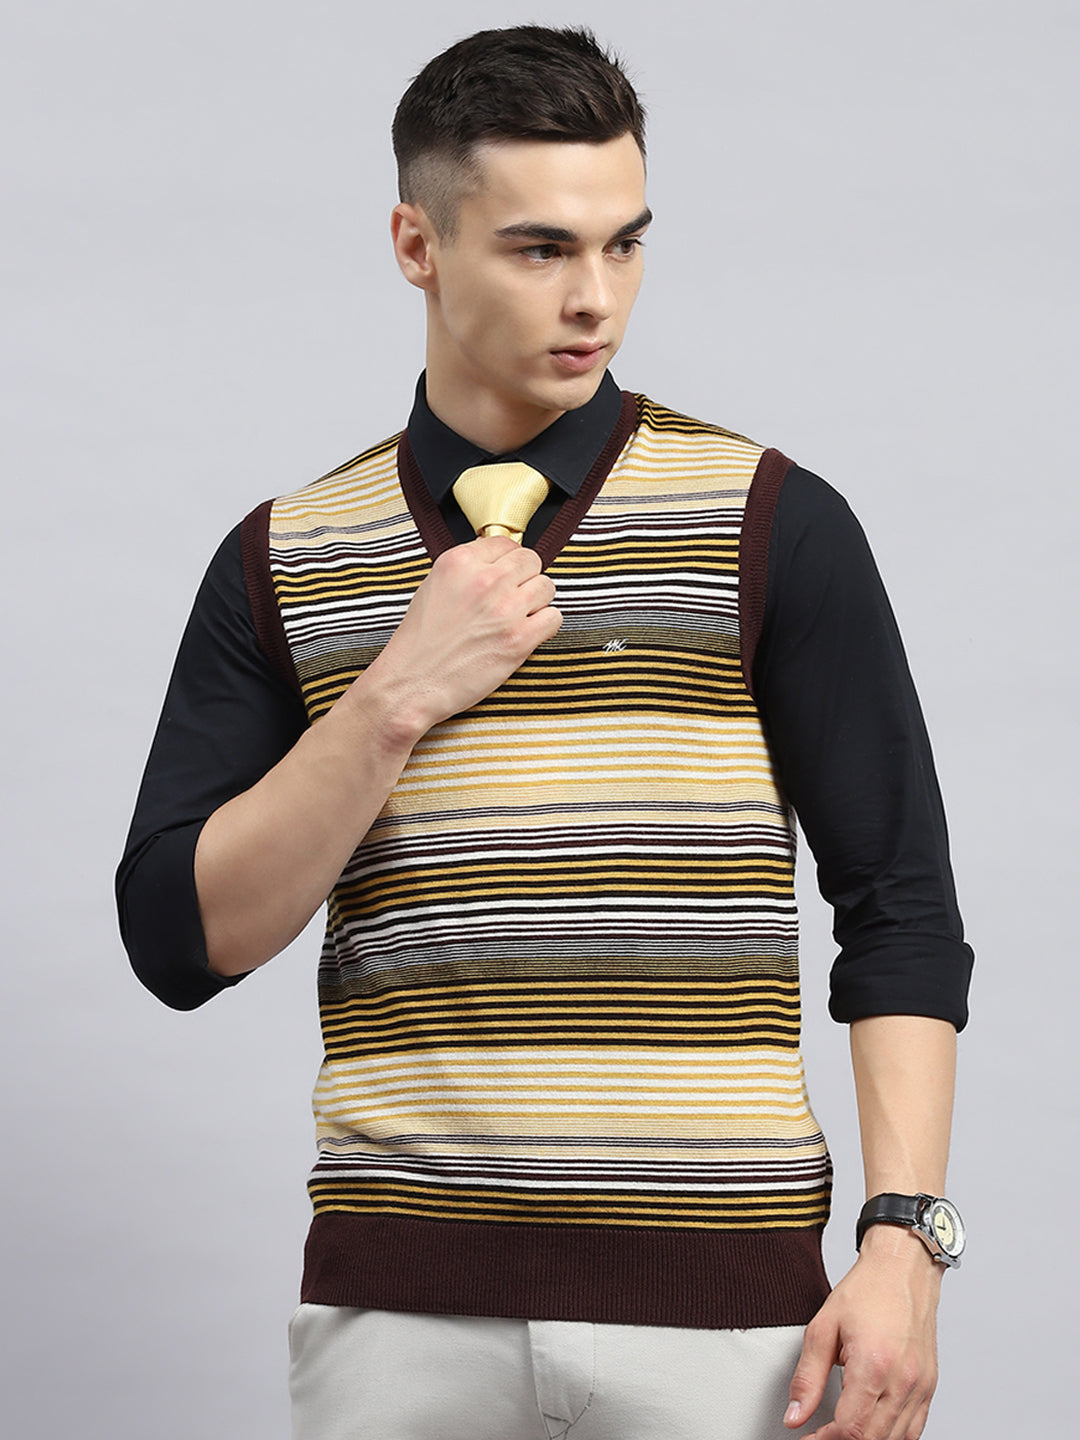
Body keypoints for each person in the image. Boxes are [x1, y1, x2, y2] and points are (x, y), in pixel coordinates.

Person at [117, 25, 973, 1440]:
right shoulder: (286, 553)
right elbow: (178, 942)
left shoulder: (771, 520)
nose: (596, 298)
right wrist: (395, 694)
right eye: (540, 250)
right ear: (417, 244)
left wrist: (906, 1243)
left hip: (728, 1322)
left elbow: (901, 906)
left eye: (624, 244)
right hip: (400, 1325)